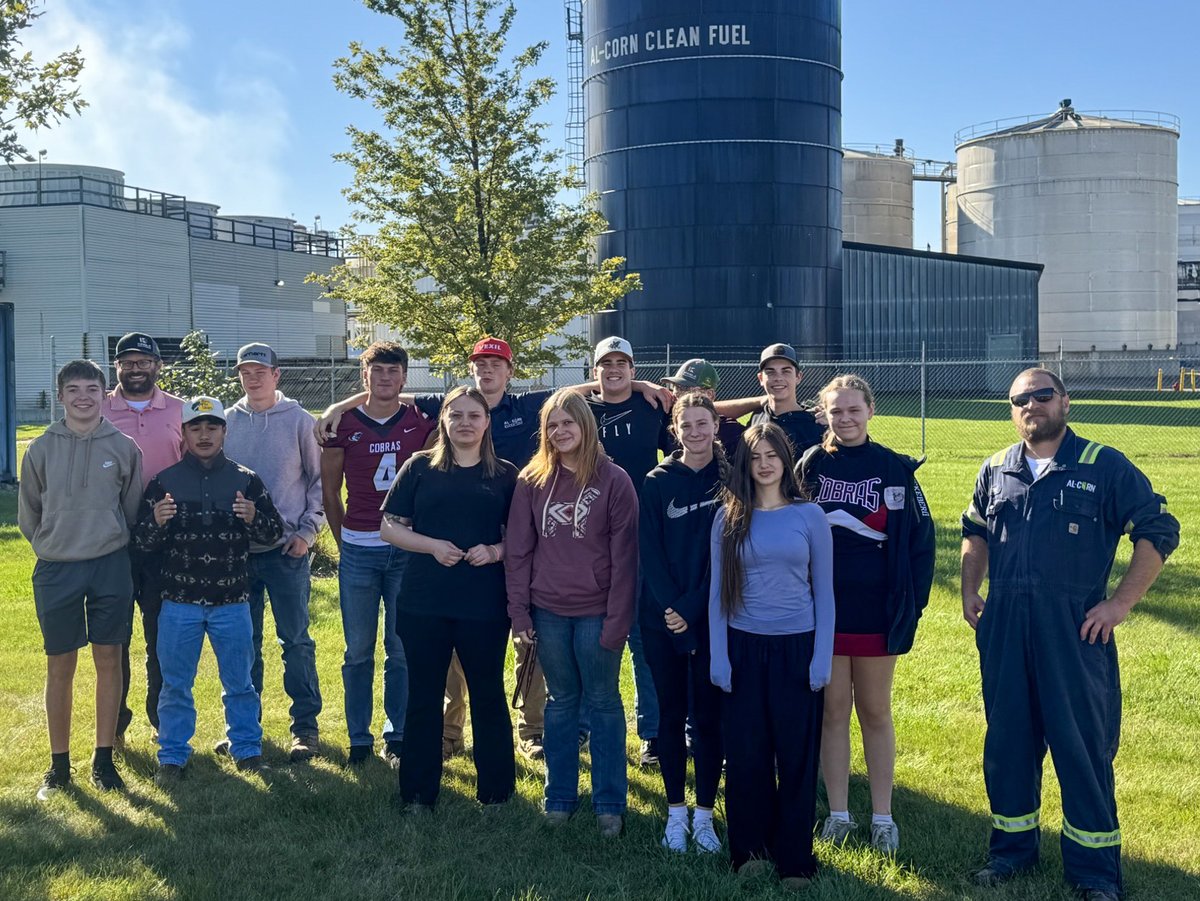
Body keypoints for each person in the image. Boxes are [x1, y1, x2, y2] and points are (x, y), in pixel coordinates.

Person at [315, 336, 669, 762]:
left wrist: (640, 386)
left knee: (527, 641)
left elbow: (582, 389)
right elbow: (389, 391)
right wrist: (340, 406)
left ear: (509, 371)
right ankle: (450, 731)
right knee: (453, 647)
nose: (488, 371)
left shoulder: (527, 406)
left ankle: (532, 729)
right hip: (457, 550)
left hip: (515, 542)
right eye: (481, 365)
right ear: (471, 371)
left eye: (496, 365)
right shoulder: (451, 404)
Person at [961, 368, 1179, 901]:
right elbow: (974, 530)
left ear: (1064, 402)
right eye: (1020, 398)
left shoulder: (1103, 465)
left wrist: (1119, 604)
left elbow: (1158, 528)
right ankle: (1011, 853)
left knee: (1082, 750)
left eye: (1042, 394)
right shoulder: (996, 469)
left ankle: (1094, 872)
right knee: (1008, 745)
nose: (1031, 404)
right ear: (1011, 411)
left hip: (1074, 635)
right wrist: (970, 589)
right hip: (1006, 632)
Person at [797, 374, 935, 854]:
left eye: (854, 410)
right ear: (825, 415)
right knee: (832, 712)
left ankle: (882, 817)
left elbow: (921, 543)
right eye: (836, 411)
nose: (846, 419)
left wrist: (913, 605)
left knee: (875, 710)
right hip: (823, 613)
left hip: (878, 612)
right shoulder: (811, 464)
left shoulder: (894, 468)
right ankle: (838, 813)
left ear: (871, 411)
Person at [506, 389, 638, 837]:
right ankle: (559, 797)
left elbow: (626, 559)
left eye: (569, 422)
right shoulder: (531, 481)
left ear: (586, 425)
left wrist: (617, 622)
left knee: (603, 703)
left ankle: (609, 803)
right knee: (560, 704)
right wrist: (520, 613)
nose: (561, 431)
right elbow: (518, 552)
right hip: (548, 611)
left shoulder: (614, 480)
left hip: (598, 613)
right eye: (553, 425)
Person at [132, 396, 284, 784]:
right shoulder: (164, 482)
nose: (204, 435)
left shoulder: (245, 480)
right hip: (179, 602)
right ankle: (172, 756)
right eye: (195, 428)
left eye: (212, 427)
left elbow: (273, 533)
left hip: (231, 601)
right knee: (175, 685)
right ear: (183, 434)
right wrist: (155, 521)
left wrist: (254, 516)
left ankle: (247, 750)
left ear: (224, 432)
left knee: (240, 683)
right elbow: (140, 542)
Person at [380, 386, 518, 810]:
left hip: (484, 605)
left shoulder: (506, 475)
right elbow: (389, 527)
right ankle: (418, 794)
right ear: (443, 420)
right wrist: (432, 546)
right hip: (424, 603)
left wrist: (494, 551)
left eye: (474, 415)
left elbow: (523, 538)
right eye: (455, 415)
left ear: (487, 422)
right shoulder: (419, 467)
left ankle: (496, 793)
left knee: (487, 694)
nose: (464, 423)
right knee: (424, 696)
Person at [709, 423, 834, 887]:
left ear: (785, 459)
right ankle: (750, 850)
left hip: (797, 648)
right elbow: (717, 596)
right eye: (755, 457)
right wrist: (719, 657)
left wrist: (821, 658)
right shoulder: (728, 518)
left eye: (772, 455)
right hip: (743, 648)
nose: (764, 464)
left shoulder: (810, 516)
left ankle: (795, 857)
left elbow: (825, 593)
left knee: (796, 756)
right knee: (747, 755)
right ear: (745, 464)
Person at [19, 360, 143, 800]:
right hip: (57, 568)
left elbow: (131, 509)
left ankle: (103, 759)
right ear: (60, 396)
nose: (83, 397)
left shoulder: (124, 447)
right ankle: (59, 765)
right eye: (73, 389)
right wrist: (55, 544)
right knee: (60, 664)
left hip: (110, 564)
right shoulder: (40, 449)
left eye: (92, 388)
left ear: (104, 394)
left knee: (109, 658)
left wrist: (105, 538)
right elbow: (29, 514)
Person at [321, 341, 436, 767]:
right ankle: (358, 737)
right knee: (357, 649)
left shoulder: (422, 420)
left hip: (406, 547)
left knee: (400, 648)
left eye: (393, 371)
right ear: (364, 376)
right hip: (359, 548)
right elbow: (330, 492)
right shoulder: (342, 424)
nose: (385, 378)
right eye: (377, 371)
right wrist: (344, 541)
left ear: (404, 377)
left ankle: (398, 734)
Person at [223, 342, 326, 763]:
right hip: (237, 555)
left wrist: (308, 532)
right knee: (243, 643)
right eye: (245, 372)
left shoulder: (300, 421)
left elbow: (320, 481)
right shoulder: (227, 422)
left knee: (295, 641)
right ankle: (246, 728)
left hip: (287, 552)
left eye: (260, 371)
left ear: (276, 375)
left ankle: (305, 727)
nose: (253, 378)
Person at [639, 394, 728, 853]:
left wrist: (694, 606)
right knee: (670, 716)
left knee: (709, 719)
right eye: (685, 425)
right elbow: (649, 552)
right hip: (662, 618)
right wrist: (673, 608)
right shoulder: (657, 482)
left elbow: (731, 550)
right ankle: (676, 813)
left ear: (716, 426)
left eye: (702, 423)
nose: (694, 432)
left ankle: (706, 815)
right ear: (674, 430)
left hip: (713, 616)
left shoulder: (731, 480)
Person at [586, 335, 671, 767]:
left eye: (622, 363)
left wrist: (644, 389)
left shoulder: (652, 407)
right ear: (594, 370)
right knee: (590, 634)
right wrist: (635, 384)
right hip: (589, 540)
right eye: (606, 363)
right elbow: (555, 398)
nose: (614, 370)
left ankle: (651, 733)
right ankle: (583, 725)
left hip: (640, 538)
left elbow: (685, 442)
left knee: (641, 637)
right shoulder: (581, 410)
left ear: (633, 368)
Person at [101, 331, 184, 746]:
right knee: (115, 639)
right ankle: (114, 727)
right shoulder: (98, 409)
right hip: (112, 539)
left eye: (144, 361)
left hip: (165, 542)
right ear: (117, 367)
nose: (136, 369)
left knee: (161, 638)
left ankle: (161, 721)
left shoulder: (179, 410)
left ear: (157, 366)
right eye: (128, 362)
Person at [714, 343, 823, 456]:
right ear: (761, 378)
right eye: (770, 372)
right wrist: (758, 401)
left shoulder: (815, 423)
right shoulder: (757, 417)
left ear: (798, 377)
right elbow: (708, 410)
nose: (778, 378)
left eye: (786, 371)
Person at [661, 357, 745, 452]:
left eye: (685, 389)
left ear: (709, 394)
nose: (676, 394)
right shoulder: (667, 421)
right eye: (676, 387)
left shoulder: (731, 430)